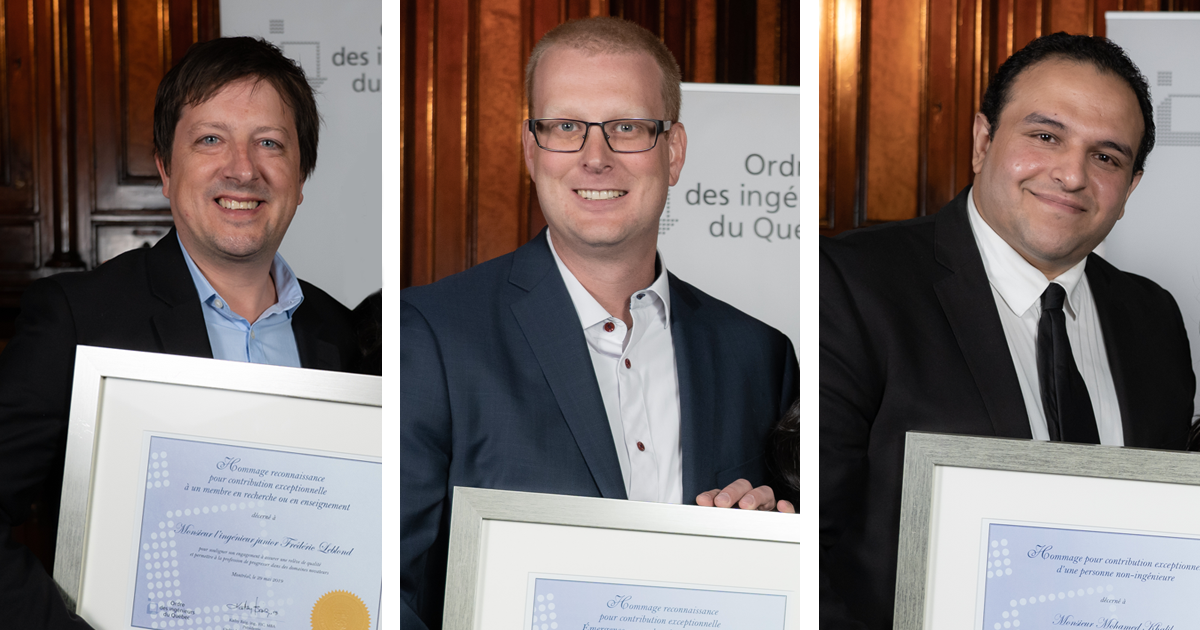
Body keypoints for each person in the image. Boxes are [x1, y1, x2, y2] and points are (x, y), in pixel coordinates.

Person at [401, 17, 799, 630]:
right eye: (566, 127)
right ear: (531, 150)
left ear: (673, 152)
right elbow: (395, 590)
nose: (595, 158)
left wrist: (769, 539)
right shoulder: (432, 335)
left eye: (627, 127)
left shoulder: (759, 356)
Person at [820, 32, 1194, 630]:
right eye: (1045, 136)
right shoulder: (850, 285)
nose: (1071, 175)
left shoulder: (1154, 319)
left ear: (1130, 188)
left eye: (1106, 157)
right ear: (982, 141)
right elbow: (816, 550)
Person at [0, 37, 360, 629]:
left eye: (269, 142)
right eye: (211, 139)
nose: (242, 168)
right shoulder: (78, 319)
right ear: (166, 170)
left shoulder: (348, 338)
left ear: (300, 177)